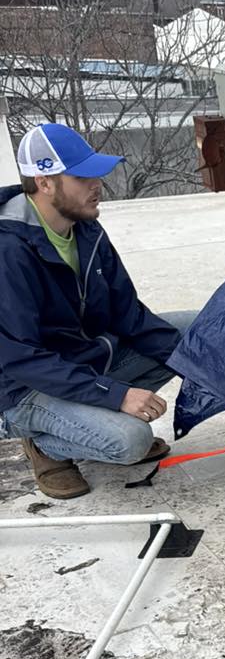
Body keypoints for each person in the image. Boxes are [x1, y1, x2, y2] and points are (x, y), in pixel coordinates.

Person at [0, 123, 193, 499]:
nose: (97, 184)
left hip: (82, 361)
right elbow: (22, 359)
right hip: (26, 389)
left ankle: (91, 422)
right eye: (82, 175)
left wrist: (204, 365)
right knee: (130, 441)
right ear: (45, 182)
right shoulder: (8, 252)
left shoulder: (85, 228)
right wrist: (115, 396)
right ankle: (46, 445)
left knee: (199, 333)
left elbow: (128, 314)